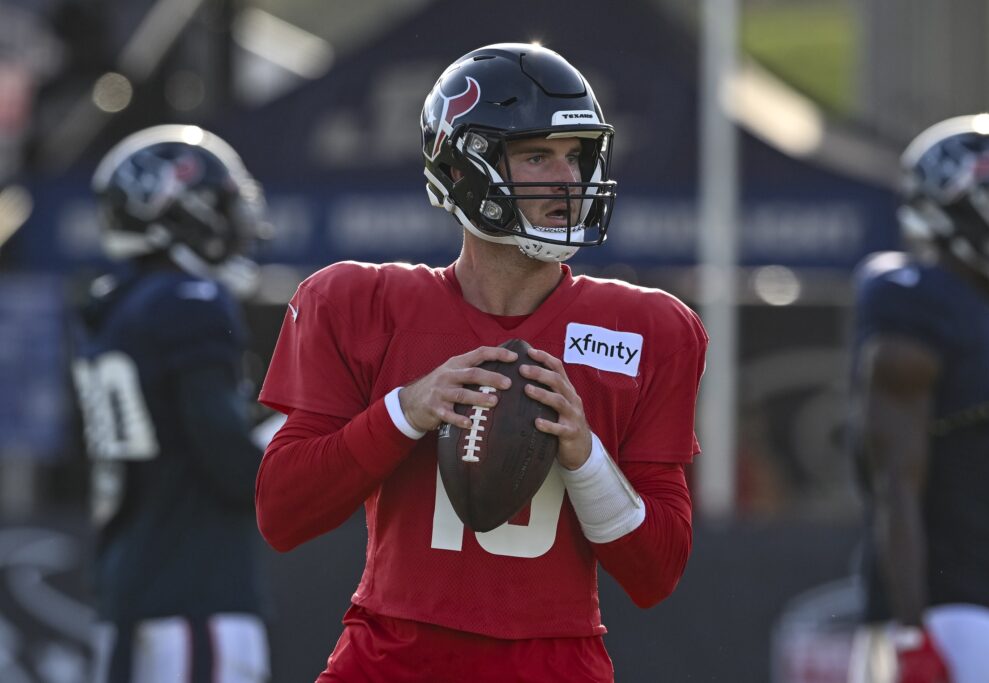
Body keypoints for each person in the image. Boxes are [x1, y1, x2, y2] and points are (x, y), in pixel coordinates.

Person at [255, 42, 707, 682]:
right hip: (392, 657)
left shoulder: (648, 328)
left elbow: (657, 573)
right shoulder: (359, 302)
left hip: (555, 662)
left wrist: (584, 456)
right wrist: (405, 411)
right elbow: (282, 513)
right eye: (537, 155)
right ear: (466, 167)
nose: (569, 180)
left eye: (576, 157)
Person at [71, 124, 273, 683]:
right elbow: (237, 469)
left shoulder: (112, 307)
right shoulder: (192, 301)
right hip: (193, 593)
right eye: (222, 204)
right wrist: (308, 425)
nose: (236, 223)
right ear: (182, 211)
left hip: (126, 589)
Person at [846, 113, 989, 683]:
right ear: (971, 207)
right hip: (950, 602)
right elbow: (894, 477)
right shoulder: (913, 297)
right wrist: (910, 630)